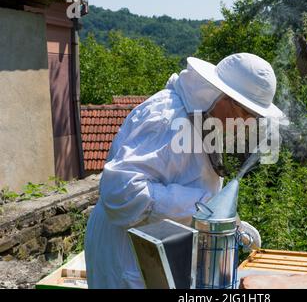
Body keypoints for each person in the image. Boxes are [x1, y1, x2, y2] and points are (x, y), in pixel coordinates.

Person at [84, 53, 285, 289]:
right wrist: (202, 208)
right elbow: (121, 193)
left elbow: (189, 182)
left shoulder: (206, 116)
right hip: (128, 257)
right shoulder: (165, 118)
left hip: (157, 252)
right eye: (245, 114)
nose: (247, 123)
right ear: (224, 96)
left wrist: (224, 225)